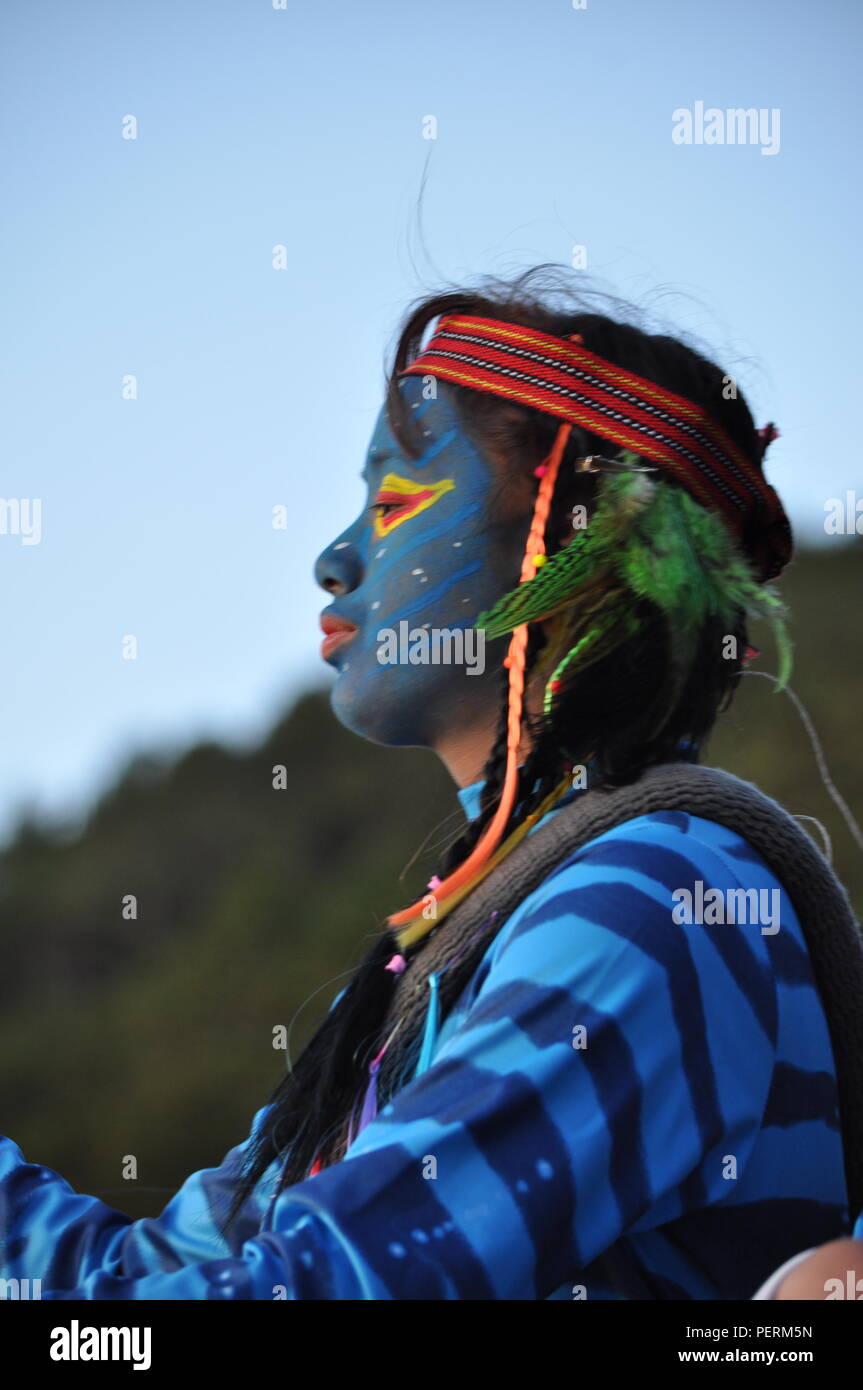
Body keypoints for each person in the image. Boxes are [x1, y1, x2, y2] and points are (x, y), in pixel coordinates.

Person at [2, 270, 862, 1300]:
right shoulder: (462, 946)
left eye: (396, 498)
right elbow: (132, 1287)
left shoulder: (652, 900)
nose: (333, 558)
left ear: (574, 533)